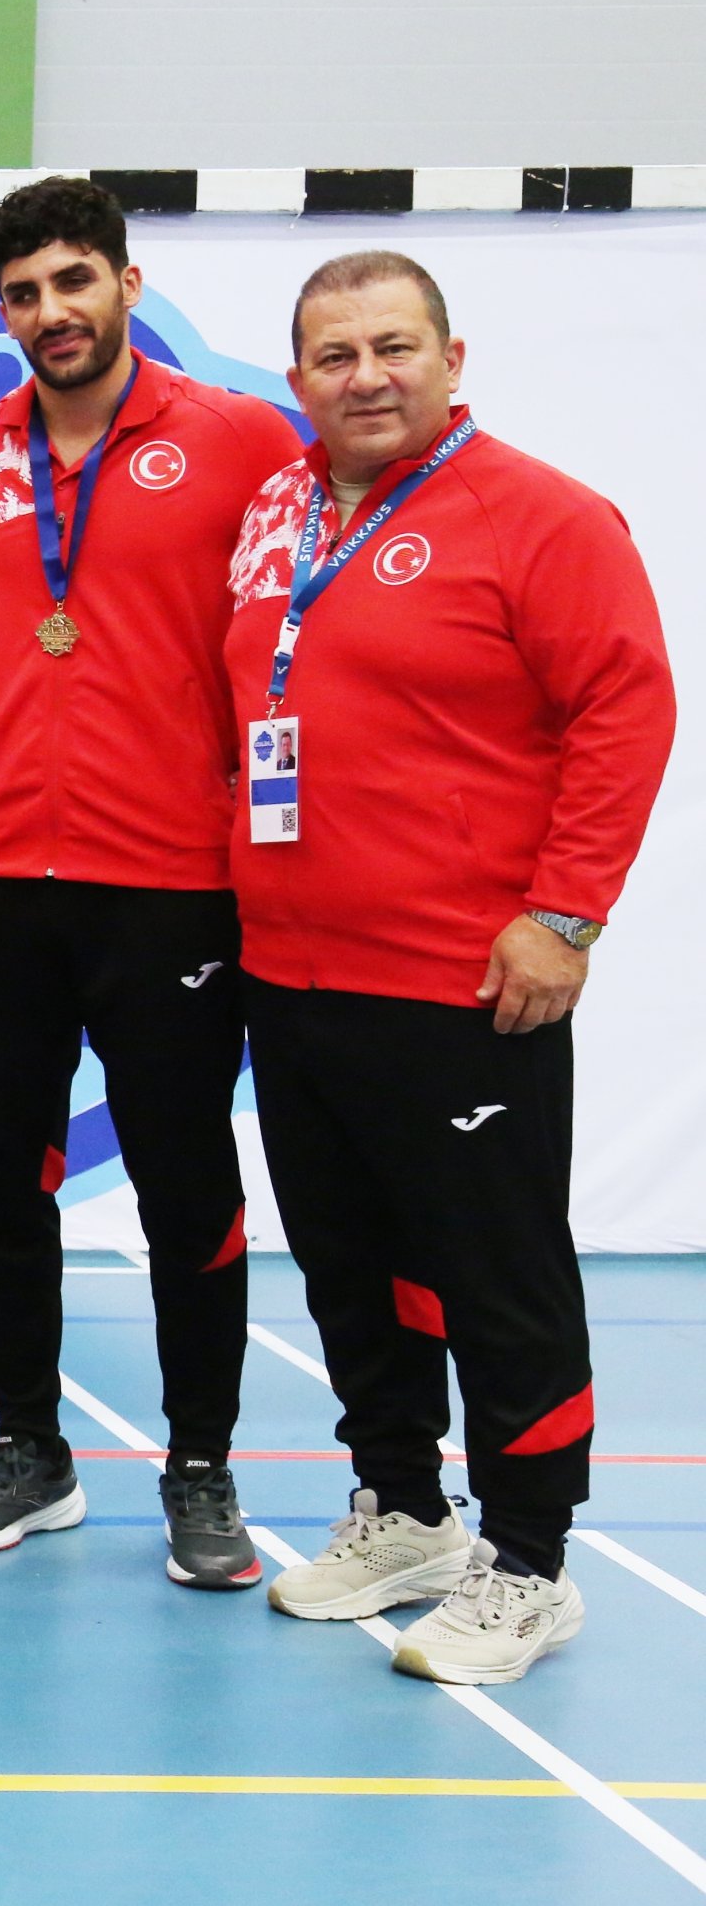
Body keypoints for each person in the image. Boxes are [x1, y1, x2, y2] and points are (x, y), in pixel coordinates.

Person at [226, 252, 673, 1682]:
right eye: (336, 355)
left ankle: (532, 1561)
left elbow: (626, 709)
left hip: (460, 980)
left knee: (498, 1276)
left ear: (452, 356)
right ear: (297, 379)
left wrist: (567, 916)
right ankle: (406, 1508)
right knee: (350, 1263)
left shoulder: (540, 514)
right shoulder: (279, 512)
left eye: (394, 347)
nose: (367, 376)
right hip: (292, 969)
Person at [0, 176, 305, 1586]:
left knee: (184, 1183)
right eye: (23, 294)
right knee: (3, 1188)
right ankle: (31, 1445)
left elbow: (301, 631)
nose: (51, 313)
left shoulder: (243, 438)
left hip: (169, 880)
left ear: (129, 285)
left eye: (74, 281)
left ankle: (200, 1464)